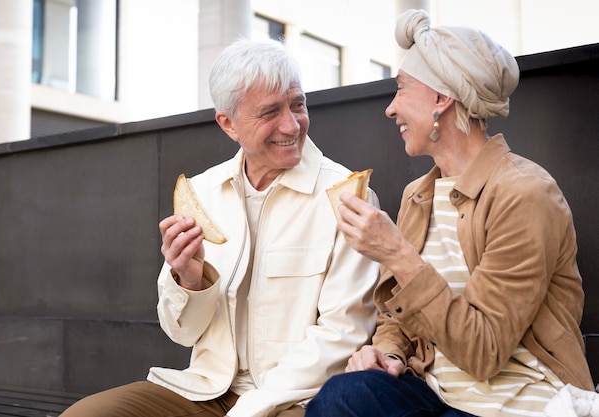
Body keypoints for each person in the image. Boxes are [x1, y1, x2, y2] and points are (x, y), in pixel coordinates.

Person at [59, 39, 379, 417]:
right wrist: (190, 281)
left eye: (298, 104)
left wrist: (251, 408)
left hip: (298, 399)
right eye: (269, 112)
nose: (292, 125)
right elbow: (182, 333)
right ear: (228, 124)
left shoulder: (346, 198)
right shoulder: (202, 194)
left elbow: (343, 334)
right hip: (206, 390)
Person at [305, 8, 594, 417]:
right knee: (342, 396)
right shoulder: (418, 195)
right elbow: (397, 317)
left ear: (441, 99)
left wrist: (397, 255)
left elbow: (483, 352)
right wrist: (388, 353)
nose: (391, 109)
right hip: (434, 395)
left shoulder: (525, 193)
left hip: (517, 404)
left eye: (402, 89)